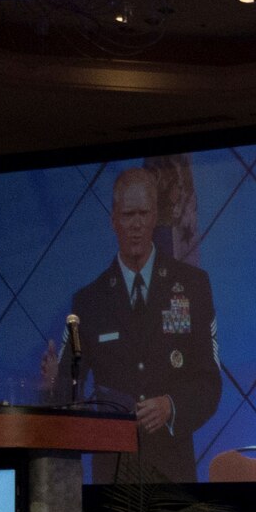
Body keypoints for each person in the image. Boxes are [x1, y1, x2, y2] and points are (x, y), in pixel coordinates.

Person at [41, 166, 222, 483]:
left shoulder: (192, 286)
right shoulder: (88, 301)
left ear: (155, 217)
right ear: (114, 221)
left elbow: (209, 383)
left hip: (173, 474)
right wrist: (53, 387)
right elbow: (70, 394)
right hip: (113, 477)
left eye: (143, 213)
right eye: (128, 215)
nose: (136, 225)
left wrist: (171, 406)